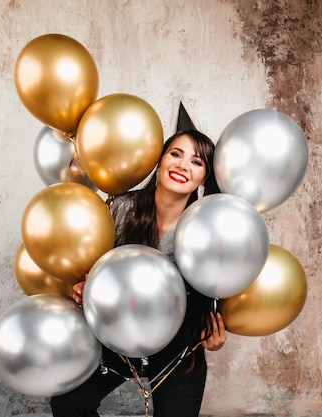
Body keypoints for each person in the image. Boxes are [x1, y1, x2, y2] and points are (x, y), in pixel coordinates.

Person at [50, 129, 226, 417]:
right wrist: (84, 286)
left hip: (178, 345)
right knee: (68, 404)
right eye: (176, 154)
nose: (182, 166)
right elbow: (93, 266)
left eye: (197, 162)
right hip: (116, 336)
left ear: (204, 178)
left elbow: (219, 286)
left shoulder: (207, 227)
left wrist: (215, 336)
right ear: (158, 160)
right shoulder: (120, 208)